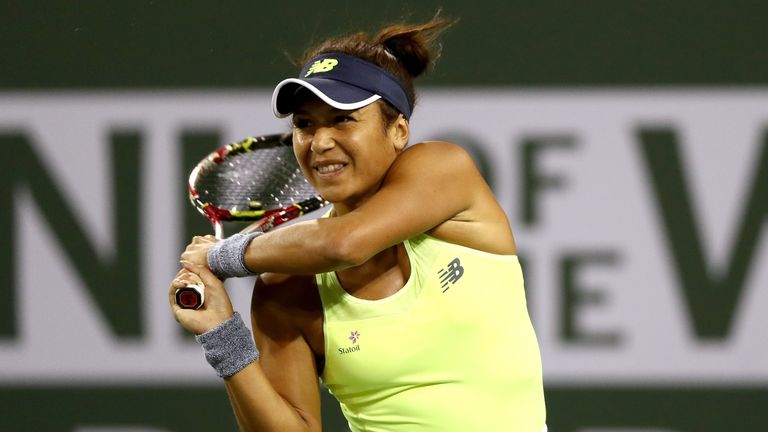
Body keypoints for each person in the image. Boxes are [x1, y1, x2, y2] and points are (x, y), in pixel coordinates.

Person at [170, 14, 547, 432]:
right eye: (304, 124)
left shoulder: (443, 168)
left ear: (399, 130)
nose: (320, 142)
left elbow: (343, 244)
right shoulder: (286, 287)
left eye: (342, 119)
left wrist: (222, 257)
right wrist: (222, 335)